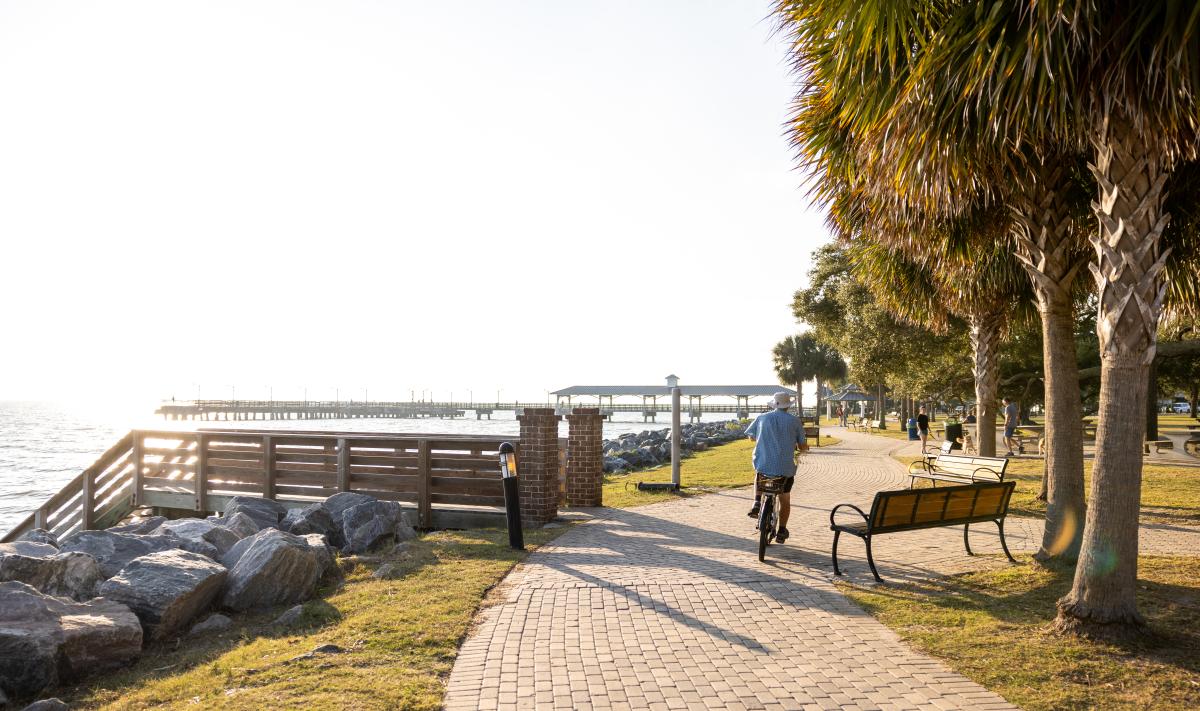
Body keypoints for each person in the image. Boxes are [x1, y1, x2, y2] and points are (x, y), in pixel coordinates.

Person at [744, 391, 806, 543]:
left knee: (759, 474)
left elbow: (751, 436)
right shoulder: (795, 421)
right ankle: (782, 530)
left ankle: (757, 502)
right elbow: (802, 445)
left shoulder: (762, 418)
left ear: (774, 403)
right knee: (785, 499)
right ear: (787, 406)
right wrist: (803, 448)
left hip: (763, 464)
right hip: (785, 469)